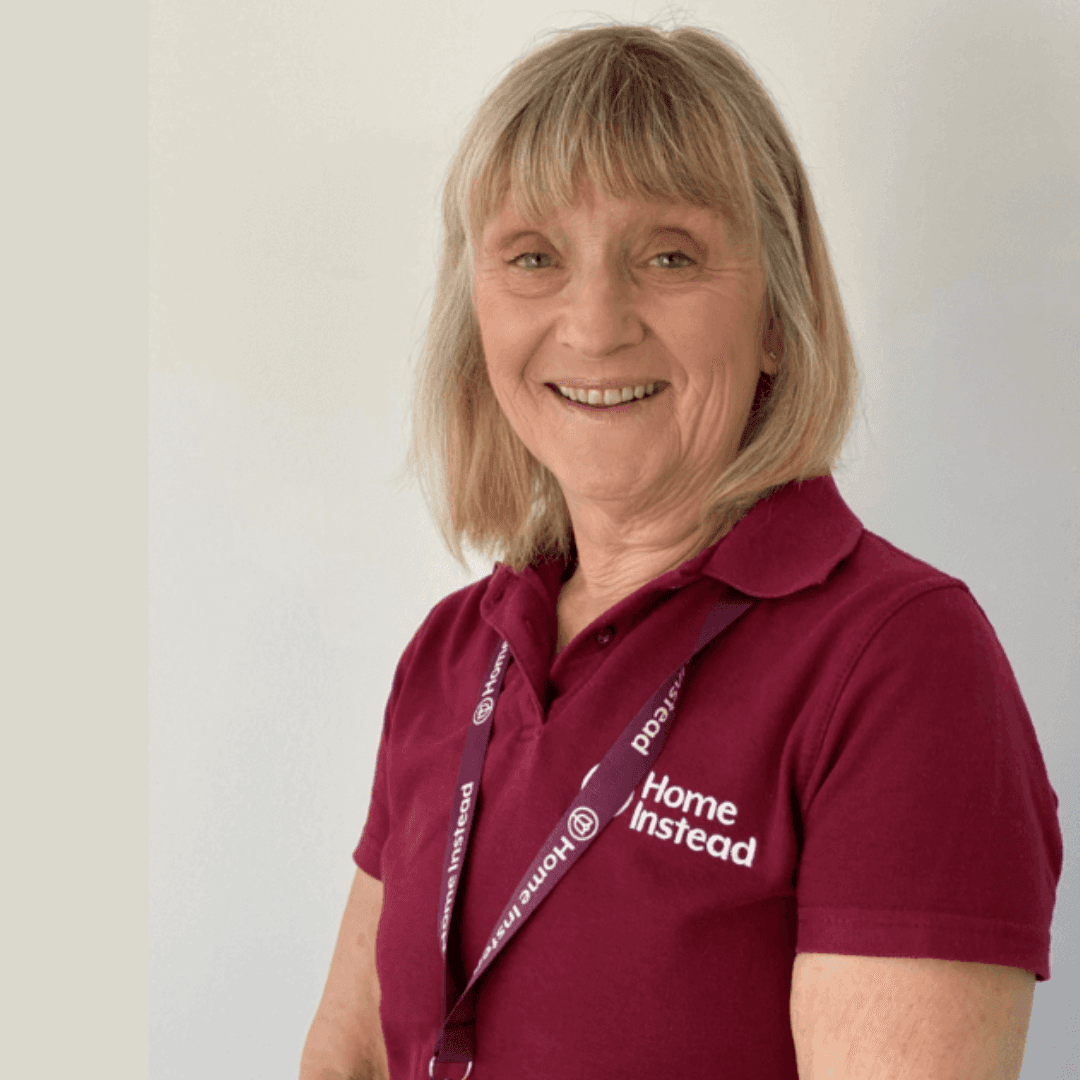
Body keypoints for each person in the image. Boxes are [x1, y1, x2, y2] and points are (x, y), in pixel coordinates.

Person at [299, 22, 1062, 1080]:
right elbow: (353, 1063)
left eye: (669, 256)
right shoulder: (452, 655)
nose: (596, 323)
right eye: (534, 257)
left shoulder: (899, 663)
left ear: (777, 322)